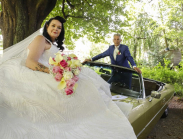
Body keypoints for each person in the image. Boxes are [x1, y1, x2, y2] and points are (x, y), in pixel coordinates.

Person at [0, 16, 137, 139]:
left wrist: (67, 69)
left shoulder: (51, 44)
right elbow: (30, 62)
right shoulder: (40, 39)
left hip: (51, 70)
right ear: (47, 26)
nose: (56, 29)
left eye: (59, 27)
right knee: (82, 86)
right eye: (53, 26)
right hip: (32, 72)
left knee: (87, 80)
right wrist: (56, 72)